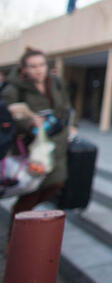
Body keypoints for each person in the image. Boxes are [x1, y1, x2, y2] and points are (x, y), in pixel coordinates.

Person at [1, 47, 73, 237]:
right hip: (31, 149)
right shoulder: (13, 90)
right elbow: (6, 121)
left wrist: (73, 126)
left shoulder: (55, 83)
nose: (39, 70)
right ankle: (15, 238)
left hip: (57, 145)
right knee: (30, 194)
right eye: (33, 66)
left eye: (41, 65)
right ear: (24, 69)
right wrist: (28, 122)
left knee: (56, 183)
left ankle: (27, 222)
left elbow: (66, 108)